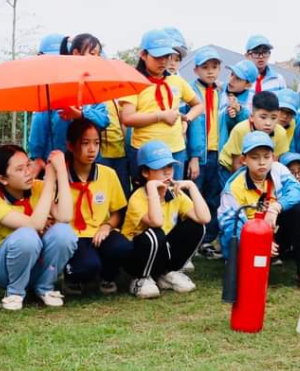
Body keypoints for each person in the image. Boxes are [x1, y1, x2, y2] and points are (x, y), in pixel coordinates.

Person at [0, 145, 76, 310]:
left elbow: (65, 216)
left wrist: (60, 172)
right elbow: (35, 225)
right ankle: (14, 293)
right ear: (3, 179)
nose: (28, 172)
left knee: (64, 232)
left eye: (28, 164)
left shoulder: (37, 187)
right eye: (19, 169)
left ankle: (45, 287)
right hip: (3, 268)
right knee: (27, 235)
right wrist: (49, 183)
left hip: (36, 262)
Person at [218, 131, 300, 286]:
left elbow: (299, 192)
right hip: (249, 240)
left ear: (273, 157)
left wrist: (276, 207)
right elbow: (231, 229)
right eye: (255, 157)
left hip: (274, 234)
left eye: (266, 156)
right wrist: (259, 243)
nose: (262, 162)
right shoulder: (233, 188)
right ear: (244, 160)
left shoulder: (279, 169)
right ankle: (243, 267)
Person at [121, 141, 210, 299]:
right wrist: (151, 188)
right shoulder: (138, 197)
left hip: (160, 252)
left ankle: (167, 274)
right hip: (135, 256)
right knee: (155, 234)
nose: (167, 172)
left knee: (198, 227)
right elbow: (156, 222)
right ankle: (140, 279)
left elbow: (204, 218)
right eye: (160, 168)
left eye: (169, 166)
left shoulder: (175, 193)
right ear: (145, 172)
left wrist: (191, 186)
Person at [119, 29, 204, 187]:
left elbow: (199, 105)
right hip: (145, 153)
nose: (163, 61)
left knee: (173, 195)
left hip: (175, 151)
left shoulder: (176, 81)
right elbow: (127, 118)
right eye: (157, 56)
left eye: (167, 56)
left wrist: (187, 121)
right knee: (147, 198)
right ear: (143, 55)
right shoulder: (134, 82)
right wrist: (160, 116)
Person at [61, 118, 132, 295]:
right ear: (70, 146)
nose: (92, 149)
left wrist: (107, 226)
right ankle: (73, 277)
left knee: (123, 247)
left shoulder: (107, 174)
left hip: (99, 232)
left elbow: (118, 212)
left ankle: (107, 277)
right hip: (73, 237)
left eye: (96, 143)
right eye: (85, 143)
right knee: (87, 267)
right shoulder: (61, 176)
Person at [28, 33, 111, 173]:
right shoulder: (55, 88)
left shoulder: (94, 89)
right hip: (58, 164)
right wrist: (37, 156)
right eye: (92, 53)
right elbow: (39, 124)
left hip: (87, 165)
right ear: (75, 53)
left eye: (98, 55)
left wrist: (81, 114)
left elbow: (104, 120)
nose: (96, 58)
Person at [187, 47, 226, 259]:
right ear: (196, 70)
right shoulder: (191, 92)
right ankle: (191, 240)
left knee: (213, 197)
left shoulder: (222, 92)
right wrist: (193, 156)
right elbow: (191, 126)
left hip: (217, 153)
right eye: (205, 67)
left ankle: (208, 240)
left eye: (215, 67)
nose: (210, 72)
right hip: (198, 155)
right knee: (195, 196)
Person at [218, 91, 291, 174]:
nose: (268, 123)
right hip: (230, 167)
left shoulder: (280, 133)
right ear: (252, 117)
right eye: (263, 117)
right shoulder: (240, 130)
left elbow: (274, 162)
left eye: (273, 118)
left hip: (258, 168)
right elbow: (236, 164)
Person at [219, 59, 258, 147]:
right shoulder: (220, 90)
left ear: (248, 85)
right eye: (232, 74)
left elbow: (251, 124)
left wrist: (239, 111)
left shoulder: (252, 100)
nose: (231, 80)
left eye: (238, 79)